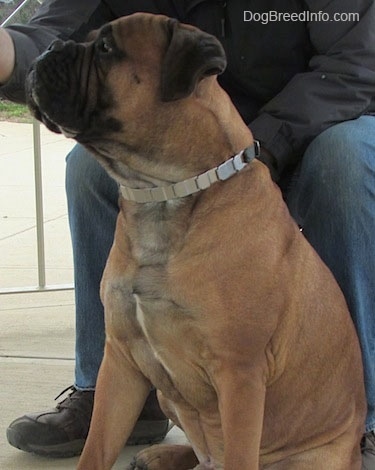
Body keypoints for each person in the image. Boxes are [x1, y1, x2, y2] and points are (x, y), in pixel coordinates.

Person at [1, 0, 375, 467]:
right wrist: (11, 52)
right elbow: (58, 29)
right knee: (86, 170)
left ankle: (363, 421)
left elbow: (356, 62)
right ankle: (109, 396)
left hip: (309, 122)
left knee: (346, 158)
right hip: (177, 141)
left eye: (102, 53)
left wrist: (260, 147)